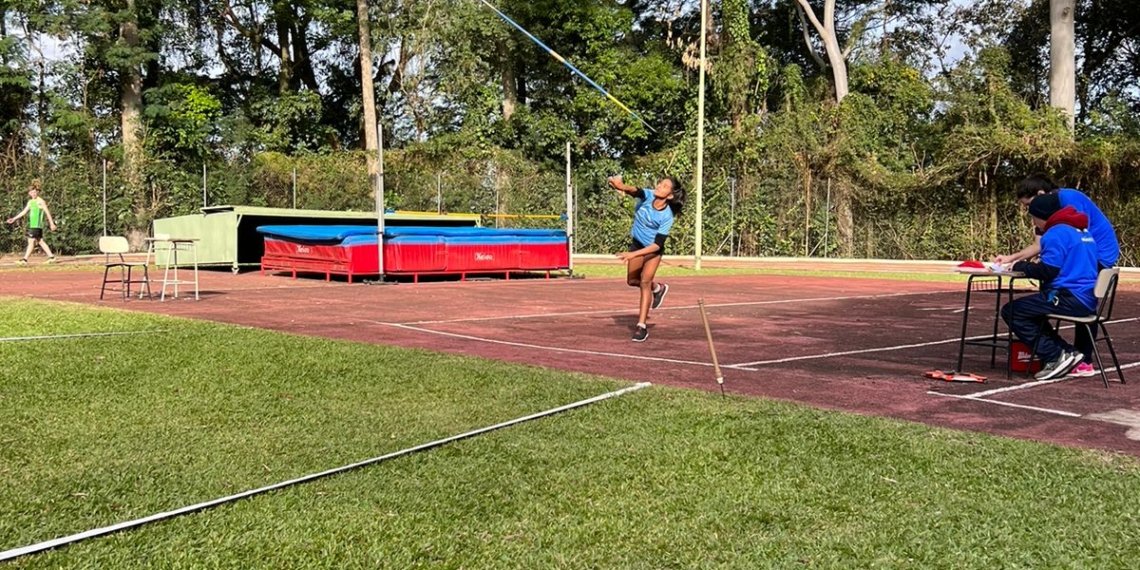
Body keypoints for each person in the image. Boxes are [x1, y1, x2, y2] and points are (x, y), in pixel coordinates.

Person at [994, 174, 1119, 377]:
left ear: (1041, 197)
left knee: (1017, 309)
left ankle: (1063, 355)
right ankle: (1067, 353)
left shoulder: (1066, 209)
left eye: (1029, 208)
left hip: (1099, 257)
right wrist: (1013, 259)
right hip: (1084, 281)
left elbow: (1049, 266)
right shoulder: (1066, 225)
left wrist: (1025, 267)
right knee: (1045, 297)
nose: (1029, 214)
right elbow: (1040, 245)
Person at [609, 175, 685, 342]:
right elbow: (634, 190)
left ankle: (641, 326)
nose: (659, 186)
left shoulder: (667, 216)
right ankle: (658, 288)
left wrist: (632, 255)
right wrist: (620, 185)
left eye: (665, 186)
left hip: (652, 250)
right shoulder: (648, 195)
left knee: (644, 282)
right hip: (637, 243)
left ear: (670, 195)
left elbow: (657, 245)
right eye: (660, 183)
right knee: (632, 281)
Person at [6, 179, 57, 264]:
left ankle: (24, 259)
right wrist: (14, 219)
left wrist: (52, 223)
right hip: (32, 225)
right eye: (31, 192)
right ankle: (51, 257)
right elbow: (24, 212)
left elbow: (47, 212)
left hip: (37, 226)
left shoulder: (40, 201)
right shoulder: (30, 202)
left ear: (37, 192)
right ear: (29, 193)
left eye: (34, 192)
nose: (33, 194)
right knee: (40, 241)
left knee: (31, 241)